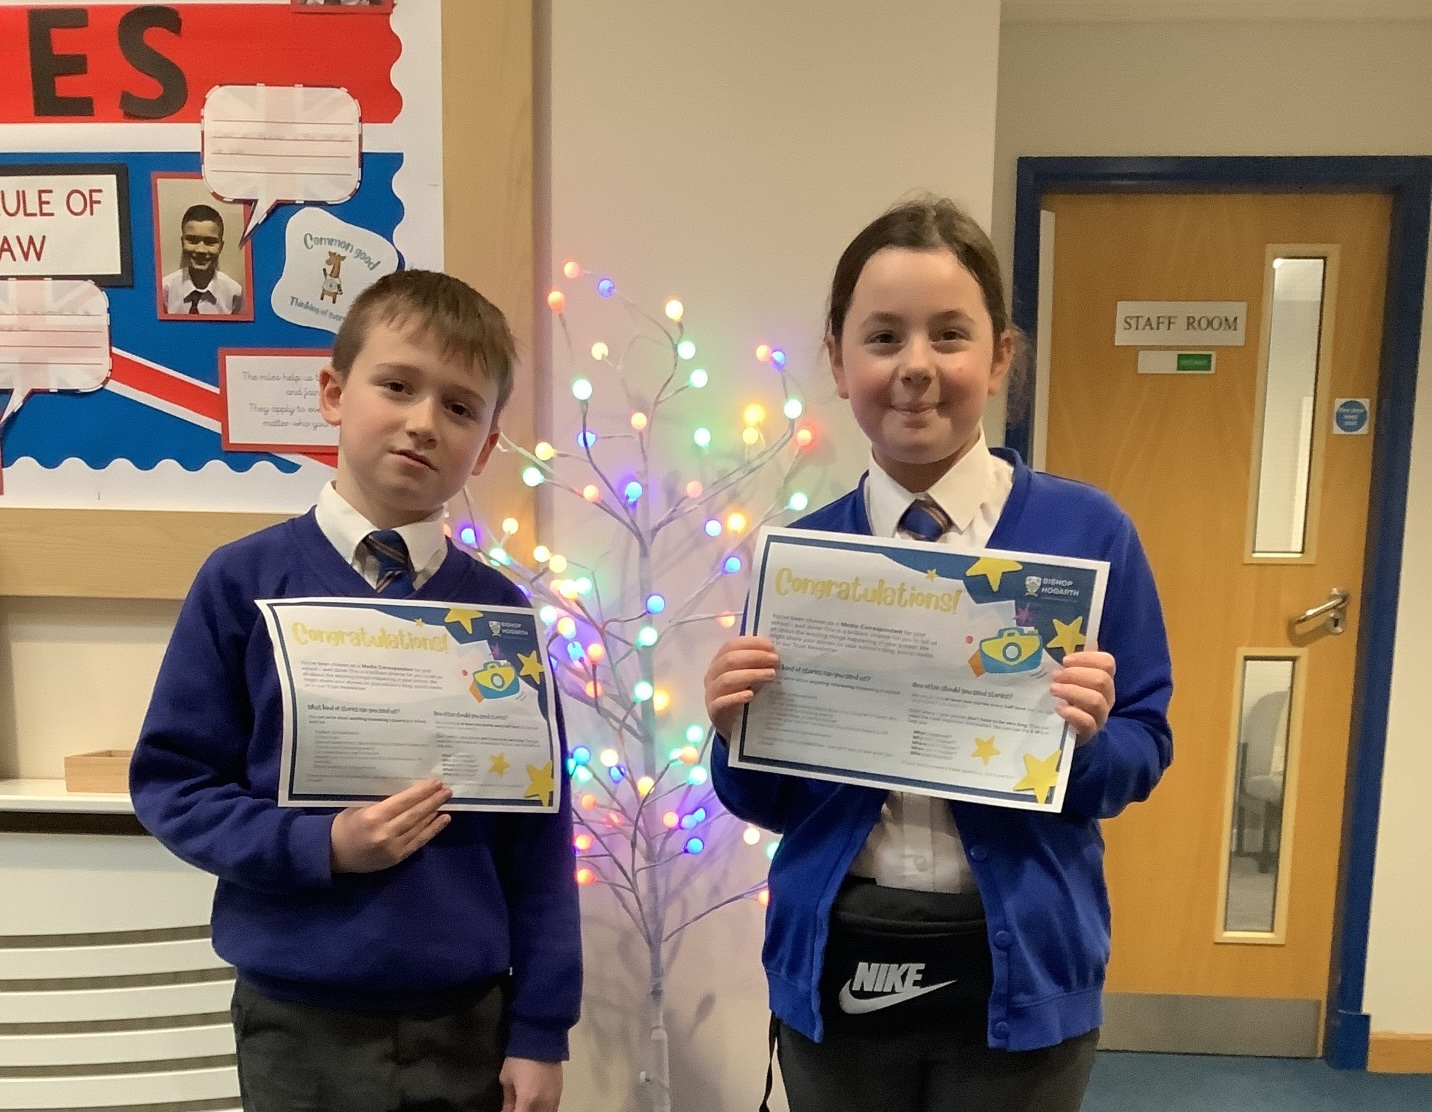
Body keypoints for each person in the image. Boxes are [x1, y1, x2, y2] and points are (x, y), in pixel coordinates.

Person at [704, 197, 1173, 1112]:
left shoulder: (1087, 534)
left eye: (949, 335)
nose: (916, 367)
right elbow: (766, 800)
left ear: (999, 356)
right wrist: (732, 733)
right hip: (838, 959)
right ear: (839, 362)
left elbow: (1146, 747)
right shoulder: (805, 559)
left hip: (1024, 972)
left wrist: (1087, 742)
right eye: (883, 338)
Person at [131, 270, 580, 1112]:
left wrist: (540, 1030)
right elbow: (174, 787)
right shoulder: (242, 582)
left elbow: (542, 841)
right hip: (300, 1017)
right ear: (335, 393)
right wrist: (322, 847)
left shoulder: (497, 614)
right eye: (398, 385)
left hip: (468, 1020)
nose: (422, 422)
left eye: (459, 407)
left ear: (485, 447)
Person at [160, 203, 244, 316]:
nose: (201, 250)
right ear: (182, 242)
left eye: (210, 242)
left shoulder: (234, 293)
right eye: (192, 240)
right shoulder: (165, 290)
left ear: (221, 246)